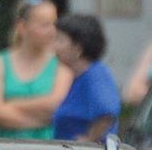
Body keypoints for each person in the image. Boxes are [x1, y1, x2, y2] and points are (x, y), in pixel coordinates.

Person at [0, 0, 73, 139]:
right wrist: (41, 120)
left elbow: (55, 105)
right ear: (22, 27)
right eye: (44, 25)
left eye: (54, 24)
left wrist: (9, 105)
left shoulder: (62, 64)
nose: (52, 31)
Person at [51, 14, 120, 143]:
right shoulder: (78, 77)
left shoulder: (95, 75)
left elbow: (107, 111)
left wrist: (89, 139)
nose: (54, 46)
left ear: (78, 47)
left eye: (60, 40)